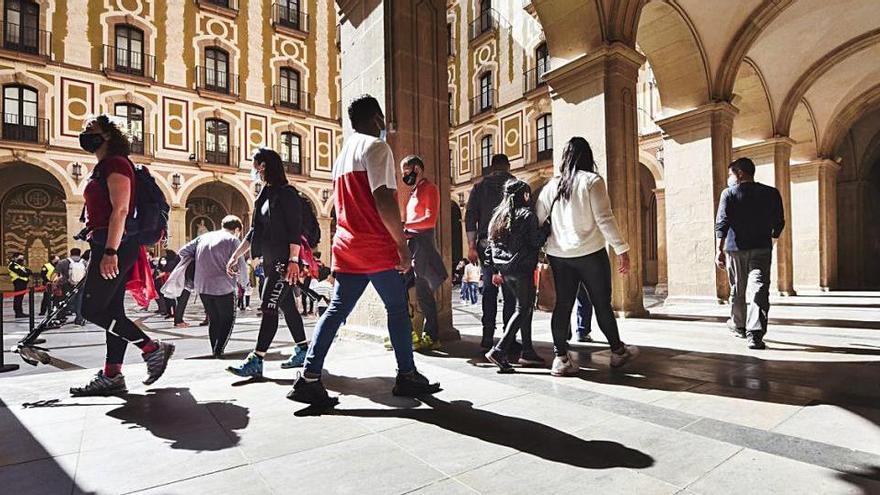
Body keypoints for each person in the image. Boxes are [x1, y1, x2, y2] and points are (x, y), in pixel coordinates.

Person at [289, 94, 441, 406]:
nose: (385, 125)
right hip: (373, 244)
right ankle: (407, 375)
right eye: (382, 119)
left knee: (335, 311)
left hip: (347, 245)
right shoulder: (376, 147)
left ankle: (309, 377)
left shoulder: (343, 154)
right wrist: (400, 245)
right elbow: (384, 198)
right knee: (397, 308)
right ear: (376, 119)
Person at [70, 114, 174, 396]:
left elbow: (121, 210)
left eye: (90, 129)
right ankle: (112, 374)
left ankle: (152, 348)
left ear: (107, 136)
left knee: (91, 309)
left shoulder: (115, 164)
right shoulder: (104, 166)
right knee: (112, 311)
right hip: (108, 242)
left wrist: (110, 251)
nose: (84, 133)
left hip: (113, 243)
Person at [535, 137, 639, 376]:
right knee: (601, 303)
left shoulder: (551, 186)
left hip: (559, 255)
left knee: (563, 305)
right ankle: (617, 352)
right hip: (591, 254)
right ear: (587, 156)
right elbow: (604, 218)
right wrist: (621, 249)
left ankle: (560, 358)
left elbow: (539, 220)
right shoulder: (592, 181)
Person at [226, 148, 311, 376]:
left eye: (254, 164)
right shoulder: (264, 194)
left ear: (263, 165)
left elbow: (294, 230)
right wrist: (236, 255)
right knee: (287, 306)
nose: (253, 169)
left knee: (268, 306)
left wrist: (294, 260)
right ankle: (303, 349)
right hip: (271, 263)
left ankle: (257, 359)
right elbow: (255, 231)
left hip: (285, 264)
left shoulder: (287, 193)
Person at [715, 157, 785, 350]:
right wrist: (771, 239)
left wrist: (718, 250)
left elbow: (722, 223)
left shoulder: (728, 193)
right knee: (759, 288)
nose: (729, 178)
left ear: (739, 173)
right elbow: (779, 221)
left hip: (735, 248)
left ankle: (739, 325)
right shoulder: (771, 193)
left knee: (738, 287)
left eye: (731, 173)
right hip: (761, 247)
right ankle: (755, 334)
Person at [484, 179, 549, 372]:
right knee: (523, 308)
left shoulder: (497, 216)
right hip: (522, 269)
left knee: (523, 309)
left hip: (505, 270)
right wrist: (546, 228)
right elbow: (536, 241)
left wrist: (495, 270)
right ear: (524, 195)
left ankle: (527, 351)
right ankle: (499, 350)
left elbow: (490, 246)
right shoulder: (527, 215)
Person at [465, 154, 516, 351]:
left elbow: (470, 217)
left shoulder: (479, 187)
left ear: (491, 167)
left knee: (488, 290)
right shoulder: (516, 185)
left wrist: (471, 245)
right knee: (510, 292)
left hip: (486, 245)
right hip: (511, 247)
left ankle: (487, 336)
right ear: (508, 166)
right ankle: (508, 337)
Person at [179, 215, 247, 358]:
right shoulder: (233, 240)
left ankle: (214, 349)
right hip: (224, 286)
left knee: (214, 319)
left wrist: (200, 261)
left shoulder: (203, 237)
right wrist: (244, 283)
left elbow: (183, 251)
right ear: (236, 229)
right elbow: (241, 262)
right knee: (228, 319)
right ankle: (218, 350)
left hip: (202, 286)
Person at [401, 154, 447, 351]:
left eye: (406, 172)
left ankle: (431, 335)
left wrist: (404, 226)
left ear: (416, 169)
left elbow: (429, 220)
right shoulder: (414, 192)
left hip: (423, 245)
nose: (404, 176)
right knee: (402, 288)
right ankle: (406, 332)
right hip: (412, 246)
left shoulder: (429, 188)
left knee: (423, 293)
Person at [53, 248, 88, 326]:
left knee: (64, 301)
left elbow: (55, 274)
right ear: (79, 253)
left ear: (70, 253)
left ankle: (61, 317)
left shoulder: (63, 262)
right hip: (81, 285)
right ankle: (79, 318)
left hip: (66, 284)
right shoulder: (85, 262)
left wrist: (55, 284)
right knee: (80, 302)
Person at [8, 253, 31, 319]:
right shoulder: (12, 265)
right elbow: (22, 274)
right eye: (20, 258)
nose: (22, 260)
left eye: (22, 258)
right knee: (18, 298)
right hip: (18, 282)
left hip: (23, 283)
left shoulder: (19, 265)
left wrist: (27, 273)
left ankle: (20, 312)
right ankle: (18, 313)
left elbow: (29, 271)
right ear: (15, 258)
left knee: (20, 298)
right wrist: (26, 273)